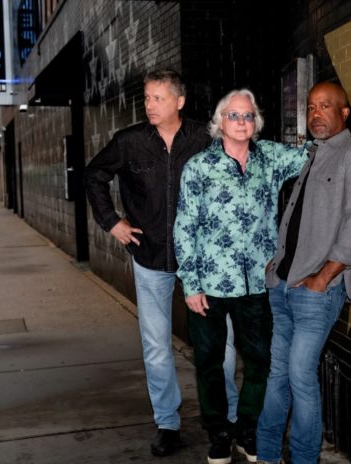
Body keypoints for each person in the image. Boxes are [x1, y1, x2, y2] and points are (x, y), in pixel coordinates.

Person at [83, 69, 238, 457]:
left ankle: (226, 420)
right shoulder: (130, 141)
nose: (149, 105)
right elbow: (94, 174)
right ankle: (167, 424)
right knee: (156, 347)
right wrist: (111, 222)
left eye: (158, 98)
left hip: (202, 262)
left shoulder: (206, 138)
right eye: (147, 98)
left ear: (179, 101)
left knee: (220, 344)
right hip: (150, 258)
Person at [174, 88, 308, 464]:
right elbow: (184, 227)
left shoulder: (270, 158)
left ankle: (248, 428)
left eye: (248, 116)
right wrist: (191, 284)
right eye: (233, 115)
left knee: (260, 359)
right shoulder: (199, 167)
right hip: (210, 284)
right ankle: (218, 432)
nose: (241, 122)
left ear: (256, 122)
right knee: (209, 361)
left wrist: (334, 134)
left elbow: (311, 156)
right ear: (220, 122)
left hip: (258, 284)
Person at [256, 82, 351, 464]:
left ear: (344, 113)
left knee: (299, 375)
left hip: (315, 292)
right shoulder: (312, 155)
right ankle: (267, 454)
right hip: (283, 284)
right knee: (278, 374)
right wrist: (276, 263)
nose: (315, 114)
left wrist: (324, 278)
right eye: (311, 107)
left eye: (325, 106)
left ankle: (305, 459)